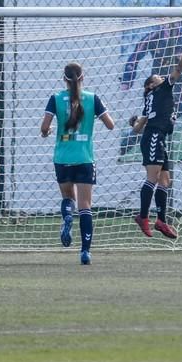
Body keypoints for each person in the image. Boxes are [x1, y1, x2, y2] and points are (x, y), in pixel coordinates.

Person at [40, 62, 114, 265]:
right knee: (85, 206)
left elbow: (45, 126)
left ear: (64, 79)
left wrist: (46, 132)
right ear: (83, 77)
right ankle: (85, 252)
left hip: (63, 157)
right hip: (84, 157)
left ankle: (66, 216)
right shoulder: (92, 98)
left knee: (67, 197)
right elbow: (110, 124)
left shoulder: (55, 98)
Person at [130, 30, 182, 239]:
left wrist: (135, 123)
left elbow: (137, 129)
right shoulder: (161, 90)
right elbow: (180, 68)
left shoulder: (151, 99)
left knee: (165, 180)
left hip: (156, 138)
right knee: (152, 179)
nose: (161, 76)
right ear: (151, 85)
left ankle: (161, 220)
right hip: (154, 137)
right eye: (157, 77)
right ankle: (143, 217)